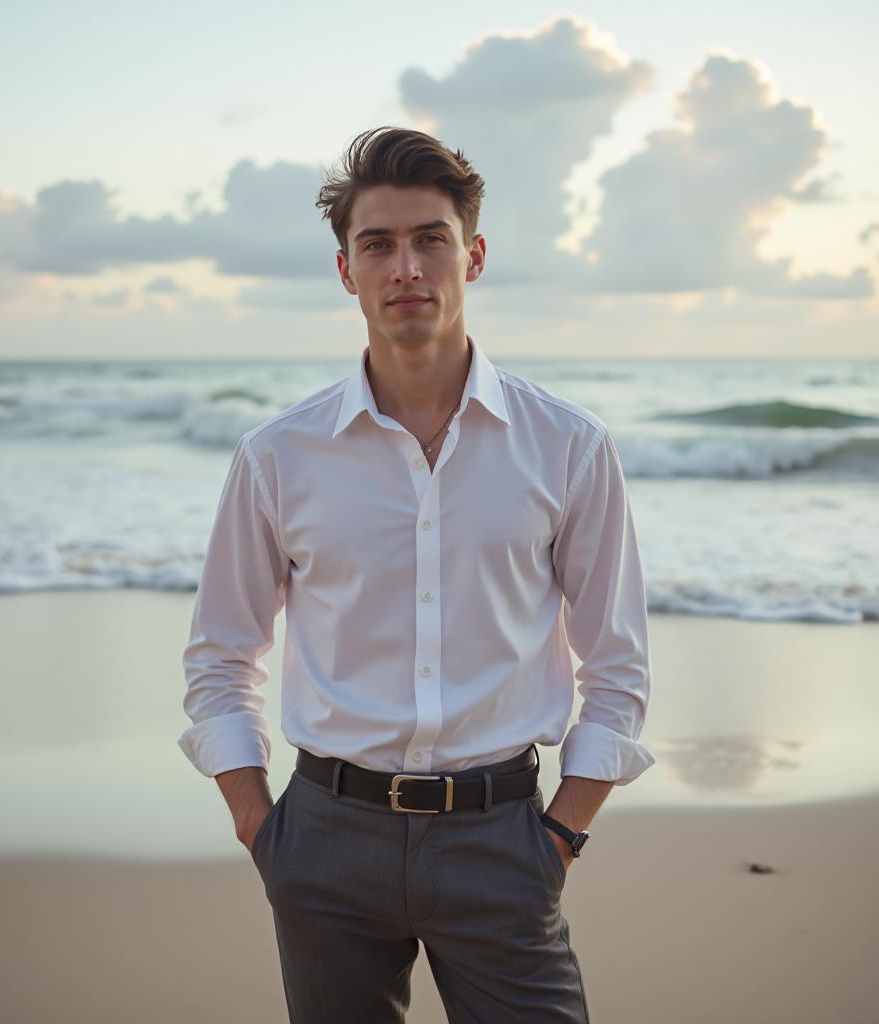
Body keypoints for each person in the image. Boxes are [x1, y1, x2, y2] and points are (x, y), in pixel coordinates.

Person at [178, 125, 656, 1023]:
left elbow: (618, 664)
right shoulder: (278, 455)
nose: (407, 266)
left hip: (504, 838)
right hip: (323, 839)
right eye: (379, 244)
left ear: (471, 257)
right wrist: (260, 826)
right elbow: (220, 656)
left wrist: (562, 833)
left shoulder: (568, 447)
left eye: (430, 239)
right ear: (345, 270)